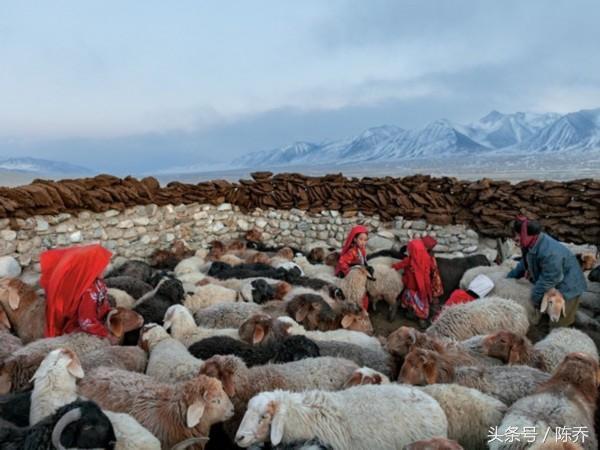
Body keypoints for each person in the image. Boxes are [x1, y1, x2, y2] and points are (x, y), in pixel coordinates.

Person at [507, 216, 587, 327]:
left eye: (516, 237)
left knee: (558, 324)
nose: (515, 241)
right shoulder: (529, 242)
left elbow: (549, 279)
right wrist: (508, 278)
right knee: (544, 316)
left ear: (525, 234)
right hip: (553, 283)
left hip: (568, 287)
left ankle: (565, 334)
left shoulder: (550, 252)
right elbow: (525, 262)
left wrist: (533, 300)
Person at [40, 243, 117, 342]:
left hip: (99, 321)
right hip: (82, 331)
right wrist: (107, 335)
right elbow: (86, 322)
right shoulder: (88, 292)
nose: (105, 268)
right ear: (92, 267)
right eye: (101, 265)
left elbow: (102, 303)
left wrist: (109, 311)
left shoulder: (97, 282)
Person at [392, 238, 444, 324]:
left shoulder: (410, 260)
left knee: (410, 300)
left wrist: (391, 267)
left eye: (410, 250)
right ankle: (422, 319)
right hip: (423, 288)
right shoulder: (428, 258)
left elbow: (398, 265)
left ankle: (412, 314)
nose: (408, 252)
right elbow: (431, 270)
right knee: (422, 303)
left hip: (411, 287)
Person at [335, 225, 370, 310]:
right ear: (354, 239)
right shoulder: (352, 251)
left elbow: (363, 261)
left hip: (359, 274)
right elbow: (342, 262)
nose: (363, 242)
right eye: (361, 239)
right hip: (350, 275)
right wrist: (349, 271)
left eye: (365, 240)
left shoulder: (362, 250)